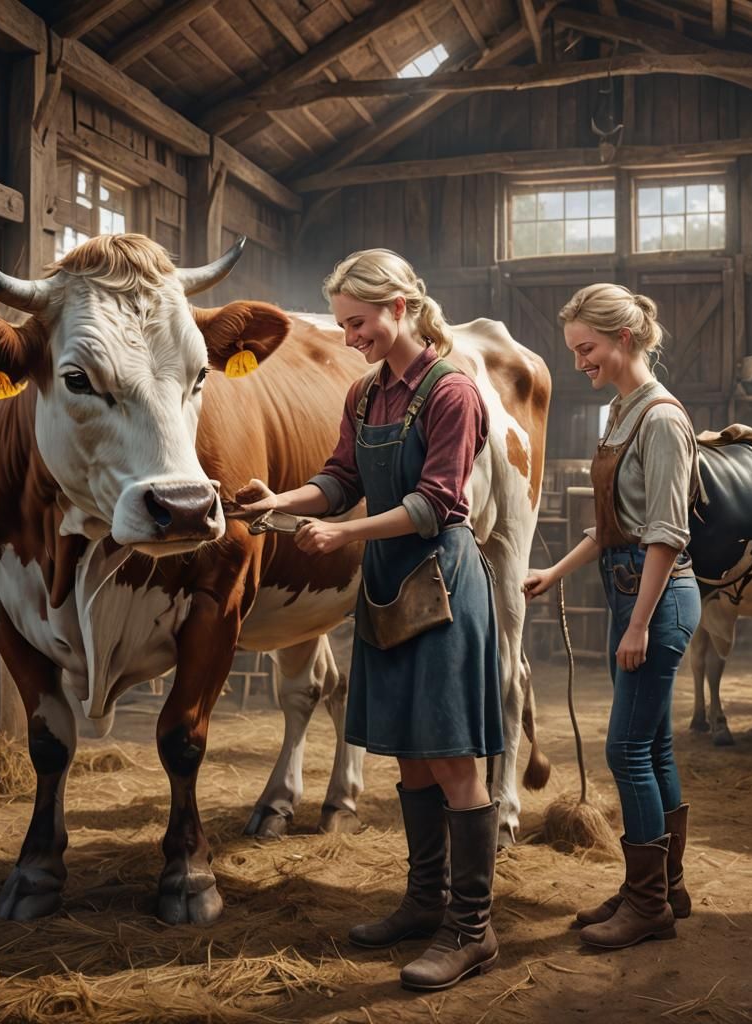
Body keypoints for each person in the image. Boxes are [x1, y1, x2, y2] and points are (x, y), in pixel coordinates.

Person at [234, 248, 503, 991]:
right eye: (345, 325)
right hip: (388, 581)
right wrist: (280, 501)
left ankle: (472, 929)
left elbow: (440, 503)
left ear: (400, 308)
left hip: (441, 581)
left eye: (359, 323)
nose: (350, 336)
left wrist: (346, 535)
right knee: (411, 752)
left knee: (451, 757)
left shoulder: (453, 391)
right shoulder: (363, 395)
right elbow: (340, 477)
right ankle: (424, 904)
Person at [524, 283, 701, 950]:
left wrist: (638, 624)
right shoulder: (621, 411)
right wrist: (554, 573)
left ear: (623, 341)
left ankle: (648, 904)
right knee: (651, 745)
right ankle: (660, 889)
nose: (579, 362)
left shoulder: (659, 420)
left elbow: (665, 534)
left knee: (624, 748)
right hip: (630, 590)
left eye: (586, 348)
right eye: (574, 350)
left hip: (658, 598)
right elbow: (610, 528)